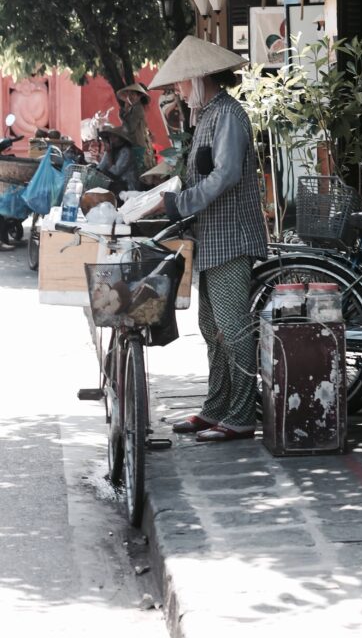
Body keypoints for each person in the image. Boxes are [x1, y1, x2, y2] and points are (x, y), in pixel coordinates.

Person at [148, 35, 268, 443]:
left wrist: (182, 202)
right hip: (211, 237)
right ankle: (216, 407)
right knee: (209, 325)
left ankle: (240, 415)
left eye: (182, 81)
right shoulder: (207, 115)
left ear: (200, 78)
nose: (178, 89)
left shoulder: (228, 115)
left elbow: (226, 175)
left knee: (233, 328)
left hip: (231, 236)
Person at [116, 82, 156, 174]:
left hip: (139, 145)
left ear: (140, 96)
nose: (130, 97)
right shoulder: (132, 108)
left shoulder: (137, 108)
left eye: (133, 94)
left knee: (141, 174)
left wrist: (122, 117)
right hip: (138, 144)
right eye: (128, 94)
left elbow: (130, 129)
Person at [97, 126, 140, 195]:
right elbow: (100, 167)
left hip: (128, 187)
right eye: (110, 137)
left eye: (114, 137)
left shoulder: (126, 151)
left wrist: (109, 155)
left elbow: (115, 172)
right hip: (115, 185)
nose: (111, 140)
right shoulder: (110, 150)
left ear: (121, 139)